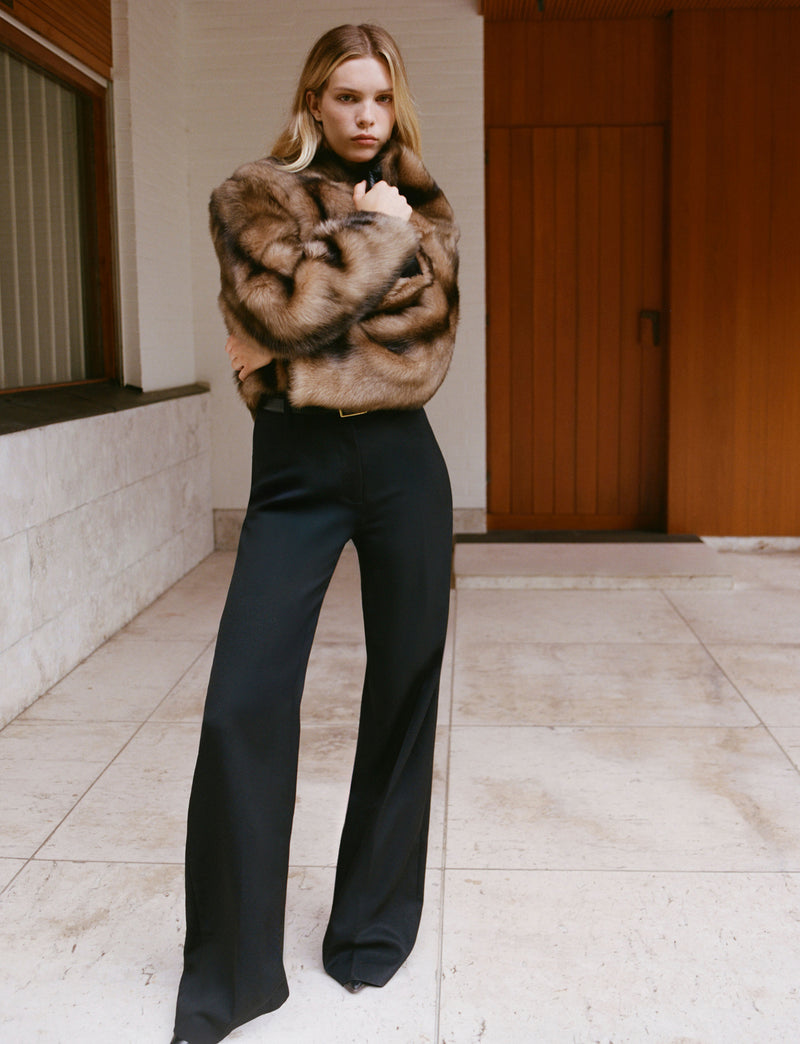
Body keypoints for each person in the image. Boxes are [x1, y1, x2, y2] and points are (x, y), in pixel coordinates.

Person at [170, 23, 459, 1044]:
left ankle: (369, 931)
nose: (366, 118)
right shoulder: (251, 196)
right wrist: (368, 255)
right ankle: (231, 973)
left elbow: (416, 358)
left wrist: (312, 312)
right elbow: (290, 311)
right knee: (243, 701)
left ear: (397, 105)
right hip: (295, 476)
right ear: (312, 102)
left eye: (381, 99)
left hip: (400, 469)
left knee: (403, 689)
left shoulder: (427, 205)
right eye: (346, 98)